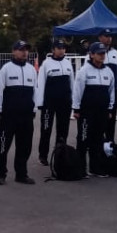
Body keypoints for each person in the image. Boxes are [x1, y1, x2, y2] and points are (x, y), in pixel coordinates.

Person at [0, 41, 38, 185]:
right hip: (9, 115)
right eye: (21, 49)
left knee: (25, 146)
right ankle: (0, 174)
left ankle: (21, 174)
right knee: (3, 145)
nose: (24, 52)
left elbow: (35, 91)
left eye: (26, 50)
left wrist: (34, 108)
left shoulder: (31, 69)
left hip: (26, 115)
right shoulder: (5, 69)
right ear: (13, 51)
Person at [73, 42, 116, 177]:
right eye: (99, 53)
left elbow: (111, 91)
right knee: (83, 139)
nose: (102, 56)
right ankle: (80, 169)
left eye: (104, 53)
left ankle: (95, 168)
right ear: (91, 54)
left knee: (97, 140)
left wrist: (110, 109)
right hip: (86, 112)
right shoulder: (84, 71)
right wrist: (76, 109)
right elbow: (77, 91)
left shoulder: (108, 71)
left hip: (102, 112)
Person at [35, 38, 76, 166]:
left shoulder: (68, 63)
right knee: (46, 129)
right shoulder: (46, 64)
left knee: (63, 130)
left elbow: (72, 83)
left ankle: (60, 154)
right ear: (53, 50)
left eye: (63, 48)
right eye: (59, 48)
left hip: (65, 102)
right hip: (49, 102)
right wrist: (40, 102)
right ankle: (43, 155)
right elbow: (40, 83)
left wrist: (74, 101)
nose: (61, 50)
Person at [93, 29, 117, 142]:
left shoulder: (115, 53)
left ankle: (110, 141)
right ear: (100, 37)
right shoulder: (94, 53)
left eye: (110, 36)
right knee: (98, 117)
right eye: (106, 36)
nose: (109, 38)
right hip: (99, 90)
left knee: (111, 117)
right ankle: (96, 140)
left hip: (113, 90)